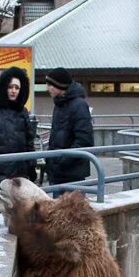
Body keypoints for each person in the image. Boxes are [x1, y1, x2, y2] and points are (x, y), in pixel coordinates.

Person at [43, 67, 94, 195]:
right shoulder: (59, 104)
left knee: (73, 213)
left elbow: (84, 140)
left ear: (59, 85)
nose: (47, 88)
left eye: (50, 85)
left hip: (72, 174)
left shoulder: (79, 105)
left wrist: (60, 160)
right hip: (58, 172)